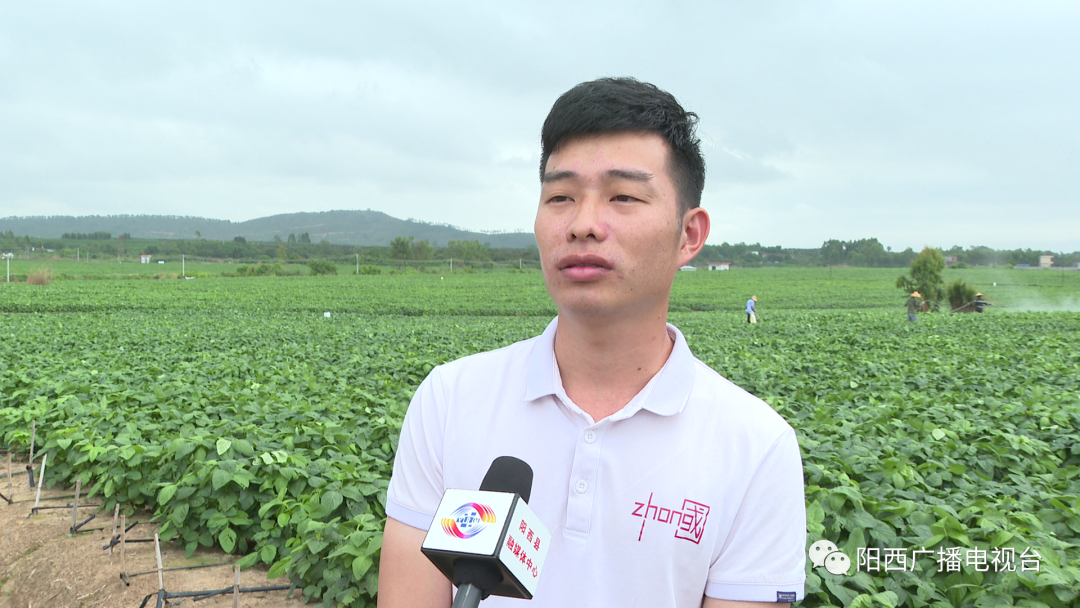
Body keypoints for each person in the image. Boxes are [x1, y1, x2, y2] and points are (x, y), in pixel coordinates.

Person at [378, 77, 806, 608]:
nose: (583, 224)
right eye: (560, 196)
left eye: (623, 196)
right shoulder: (450, 399)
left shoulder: (757, 448)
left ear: (689, 235)